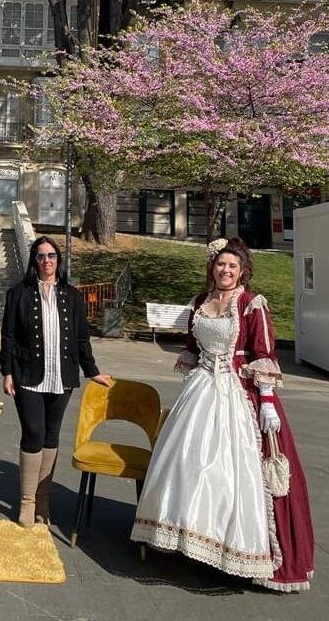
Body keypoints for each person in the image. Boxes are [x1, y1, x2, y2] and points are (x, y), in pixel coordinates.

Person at [131, 237, 314, 592]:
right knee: (188, 466)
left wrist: (267, 401)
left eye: (232, 266)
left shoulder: (250, 304)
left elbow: (263, 351)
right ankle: (190, 540)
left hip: (238, 395)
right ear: (212, 268)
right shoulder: (201, 302)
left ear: (242, 270)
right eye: (220, 265)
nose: (225, 271)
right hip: (201, 390)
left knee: (228, 473)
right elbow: (191, 345)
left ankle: (234, 550)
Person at [0, 236, 112, 528]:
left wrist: (92, 371)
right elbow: (9, 336)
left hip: (62, 376)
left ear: (58, 260)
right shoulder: (19, 293)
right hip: (28, 375)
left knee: (51, 435)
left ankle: (43, 499)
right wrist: (7, 371)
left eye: (51, 256)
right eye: (40, 256)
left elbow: (81, 338)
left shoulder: (72, 296)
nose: (47, 261)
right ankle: (26, 501)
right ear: (33, 261)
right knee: (33, 433)